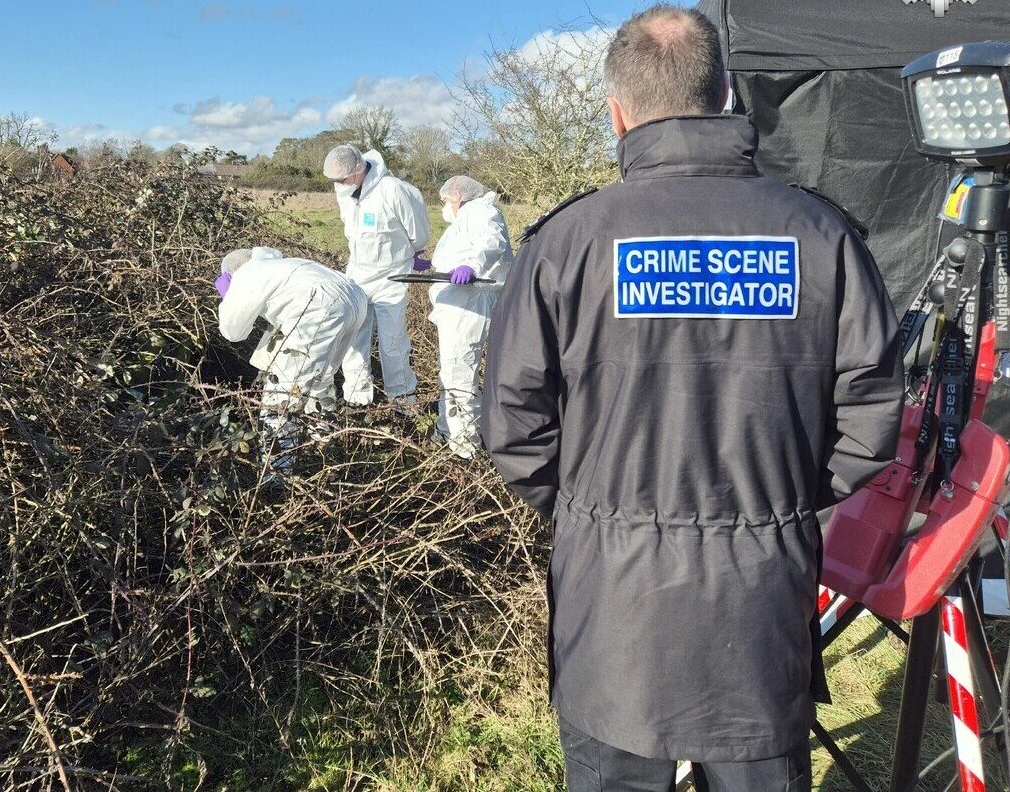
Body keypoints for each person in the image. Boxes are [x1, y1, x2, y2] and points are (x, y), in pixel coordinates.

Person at [479, 5, 905, 791]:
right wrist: (778, 497)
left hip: (614, 610)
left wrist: (594, 512)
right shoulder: (820, 236)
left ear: (617, 112)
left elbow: (513, 426)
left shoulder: (566, 243)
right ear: (727, 95)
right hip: (759, 601)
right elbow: (872, 417)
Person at [215, 246, 368, 483]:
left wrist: (229, 297)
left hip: (320, 307)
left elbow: (233, 332)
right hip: (354, 299)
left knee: (282, 392)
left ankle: (276, 476)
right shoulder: (277, 265)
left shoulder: (246, 275)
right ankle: (324, 453)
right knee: (320, 380)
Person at [323, 144, 429, 410]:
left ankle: (402, 400)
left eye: (342, 179)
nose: (338, 185)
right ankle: (357, 397)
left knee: (393, 342)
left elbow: (418, 231)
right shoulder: (344, 190)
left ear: (358, 170)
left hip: (391, 277)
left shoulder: (392, 190)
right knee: (353, 339)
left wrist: (413, 253)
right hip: (357, 274)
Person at [415, 175, 513, 458]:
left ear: (457, 196)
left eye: (444, 200)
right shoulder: (468, 217)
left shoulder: (479, 210)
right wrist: (432, 265)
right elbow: (462, 251)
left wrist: (471, 266)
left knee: (459, 373)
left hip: (471, 304)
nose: (443, 206)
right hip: (460, 304)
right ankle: (449, 432)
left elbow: (491, 243)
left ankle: (465, 447)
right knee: (452, 372)